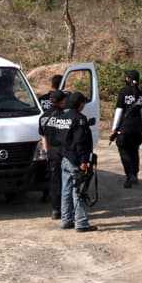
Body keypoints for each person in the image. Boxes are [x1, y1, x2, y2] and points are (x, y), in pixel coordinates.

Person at [60, 91, 97, 232]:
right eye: (83, 103)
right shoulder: (80, 119)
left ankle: (66, 219)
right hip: (75, 160)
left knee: (66, 190)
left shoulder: (63, 117)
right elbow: (80, 141)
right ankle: (81, 223)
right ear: (80, 104)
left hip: (65, 157)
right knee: (78, 191)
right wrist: (83, 161)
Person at [109, 69, 142, 188]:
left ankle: (130, 175)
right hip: (137, 128)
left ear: (128, 79)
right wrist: (137, 115)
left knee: (124, 151)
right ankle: (135, 175)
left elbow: (119, 111)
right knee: (134, 151)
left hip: (125, 127)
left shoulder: (123, 92)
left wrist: (114, 128)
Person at [39, 89, 69, 219]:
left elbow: (43, 136)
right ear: (62, 101)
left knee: (55, 181)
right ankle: (66, 209)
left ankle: (56, 209)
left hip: (51, 151)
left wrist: (47, 152)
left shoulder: (43, 117)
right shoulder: (64, 117)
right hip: (63, 151)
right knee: (67, 181)